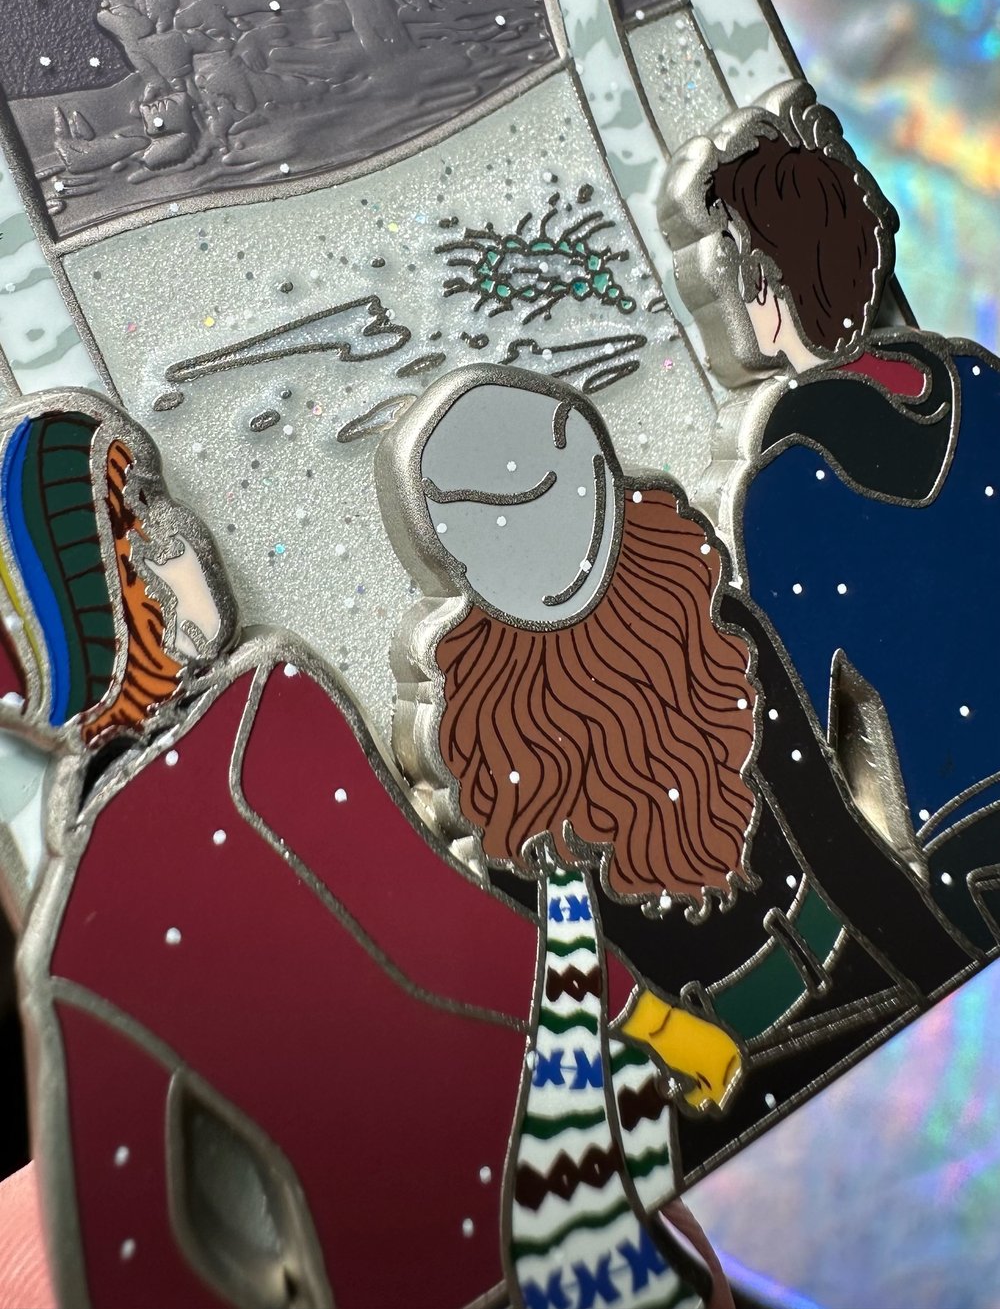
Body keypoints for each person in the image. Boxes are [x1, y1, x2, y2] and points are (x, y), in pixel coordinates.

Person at [0, 393, 722, 1309]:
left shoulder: (73, 932)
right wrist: (644, 1015)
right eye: (144, 510)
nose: (187, 535)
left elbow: (128, 1246)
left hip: (381, 1272)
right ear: (108, 590)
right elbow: (435, 918)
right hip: (527, 1175)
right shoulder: (259, 718)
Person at [376, 366, 976, 1197]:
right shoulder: (490, 761)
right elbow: (568, 978)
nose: (559, 529)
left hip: (865, 985)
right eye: (506, 513)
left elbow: (836, 835)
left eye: (569, 478)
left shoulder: (714, 630)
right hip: (713, 1096)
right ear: (458, 554)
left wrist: (947, 968)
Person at [671, 80, 1000, 949]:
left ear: (759, 287)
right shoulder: (981, 384)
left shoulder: (788, 486)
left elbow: (816, 742)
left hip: (967, 830)